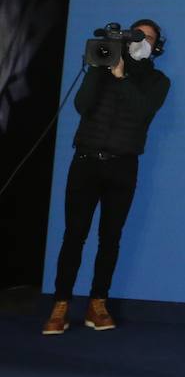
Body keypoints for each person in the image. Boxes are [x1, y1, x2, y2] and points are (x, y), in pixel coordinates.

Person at [43, 20, 170, 335]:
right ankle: (60, 306)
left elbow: (143, 111)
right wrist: (99, 69)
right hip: (85, 162)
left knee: (110, 238)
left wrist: (122, 76)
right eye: (135, 35)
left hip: (123, 166)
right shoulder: (101, 68)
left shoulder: (157, 81)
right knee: (74, 235)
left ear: (157, 46)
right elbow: (81, 105)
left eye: (147, 37)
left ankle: (98, 303)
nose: (140, 41)